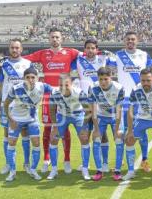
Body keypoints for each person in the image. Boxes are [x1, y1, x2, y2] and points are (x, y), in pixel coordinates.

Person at [24, 27, 79, 174]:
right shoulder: (43, 54)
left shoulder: (70, 52)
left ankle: (67, 160)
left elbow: (87, 55)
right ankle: (46, 159)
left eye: (57, 37)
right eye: (52, 37)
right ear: (49, 39)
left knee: (64, 128)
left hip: (65, 95)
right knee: (48, 127)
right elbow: (25, 59)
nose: (55, 39)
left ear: (62, 39)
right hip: (48, 96)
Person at [71, 38, 116, 172]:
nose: (90, 50)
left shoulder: (103, 59)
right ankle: (86, 163)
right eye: (88, 48)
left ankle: (105, 163)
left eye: (93, 48)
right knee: (86, 133)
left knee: (102, 135)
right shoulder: (78, 60)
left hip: (101, 102)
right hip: (84, 103)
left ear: (97, 49)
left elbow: (116, 61)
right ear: (84, 50)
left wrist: (109, 53)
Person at [114, 31, 152, 173]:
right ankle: (121, 160)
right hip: (123, 100)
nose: (130, 41)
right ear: (124, 41)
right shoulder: (117, 56)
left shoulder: (144, 55)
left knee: (141, 131)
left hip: (140, 99)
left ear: (137, 40)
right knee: (122, 131)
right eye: (128, 39)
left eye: (133, 39)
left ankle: (144, 160)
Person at [4, 67, 52, 181]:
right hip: (17, 118)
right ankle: (12, 171)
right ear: (23, 78)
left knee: (36, 143)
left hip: (32, 119)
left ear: (37, 78)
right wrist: (11, 120)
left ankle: (33, 170)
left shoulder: (43, 86)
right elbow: (6, 104)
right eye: (27, 77)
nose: (30, 80)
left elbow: (58, 91)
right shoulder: (16, 89)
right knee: (11, 143)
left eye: (33, 77)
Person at [0, 38, 33, 175]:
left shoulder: (28, 64)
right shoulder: (3, 65)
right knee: (7, 135)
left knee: (25, 134)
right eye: (12, 48)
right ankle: (9, 163)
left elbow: (33, 85)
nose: (14, 50)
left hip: (23, 106)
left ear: (21, 49)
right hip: (8, 105)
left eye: (17, 48)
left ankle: (27, 163)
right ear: (9, 49)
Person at [47, 74, 91, 180]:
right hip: (62, 116)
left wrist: (84, 127)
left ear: (71, 84)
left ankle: (85, 169)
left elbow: (88, 110)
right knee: (53, 139)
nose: (63, 88)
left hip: (78, 115)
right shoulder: (55, 93)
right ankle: (54, 169)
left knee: (84, 139)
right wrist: (55, 126)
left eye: (66, 85)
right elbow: (52, 110)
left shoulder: (79, 92)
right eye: (61, 85)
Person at [89, 67, 125, 181]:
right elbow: (93, 110)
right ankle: (99, 170)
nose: (103, 82)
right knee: (96, 140)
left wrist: (117, 130)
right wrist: (96, 129)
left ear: (111, 77)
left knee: (119, 139)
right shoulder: (93, 87)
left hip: (116, 117)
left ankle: (118, 171)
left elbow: (119, 110)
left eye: (106, 79)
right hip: (101, 116)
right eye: (101, 79)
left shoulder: (119, 88)